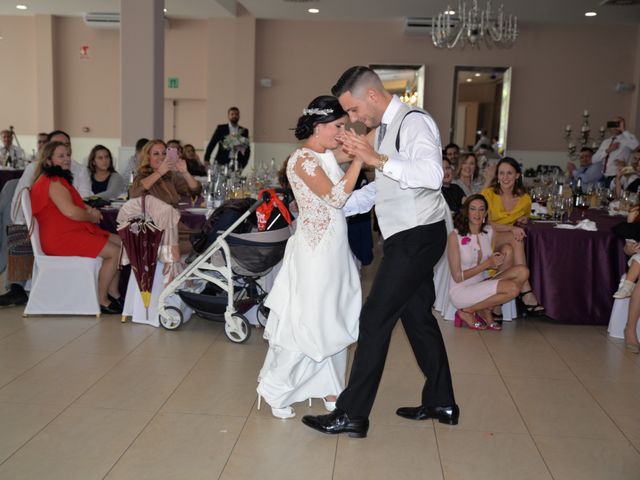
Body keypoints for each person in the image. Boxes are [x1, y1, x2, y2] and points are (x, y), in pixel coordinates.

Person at [302, 66, 457, 438]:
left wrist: (378, 160)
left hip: (418, 234)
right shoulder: (384, 131)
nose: (353, 120)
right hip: (409, 233)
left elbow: (432, 176)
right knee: (417, 317)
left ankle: (352, 413)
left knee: (373, 319)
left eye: (353, 111)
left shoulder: (415, 122)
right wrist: (334, 205)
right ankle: (441, 401)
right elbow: (384, 188)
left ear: (371, 95)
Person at [256, 95, 363, 419]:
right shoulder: (301, 159)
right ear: (319, 126)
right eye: (338, 126)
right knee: (309, 320)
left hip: (334, 251)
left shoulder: (326, 154)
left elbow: (361, 150)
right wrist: (358, 160)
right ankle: (275, 388)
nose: (343, 132)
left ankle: (331, 387)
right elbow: (336, 196)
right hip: (314, 253)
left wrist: (363, 144)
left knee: (332, 317)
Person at [29, 141, 123, 314]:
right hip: (61, 238)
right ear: (48, 161)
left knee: (121, 242)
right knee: (115, 252)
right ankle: (101, 299)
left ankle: (114, 292)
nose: (67, 159)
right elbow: (71, 212)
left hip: (70, 231)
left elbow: (75, 204)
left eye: (68, 155)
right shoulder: (52, 181)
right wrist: (92, 216)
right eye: (61, 156)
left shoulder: (58, 179)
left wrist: (89, 210)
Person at [447, 194, 529, 330]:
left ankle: (482, 308)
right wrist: (487, 264)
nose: (477, 214)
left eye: (481, 209)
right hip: (461, 290)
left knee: (523, 271)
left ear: (485, 213)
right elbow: (457, 277)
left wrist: (512, 228)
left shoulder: (488, 232)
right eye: (473, 209)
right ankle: (467, 311)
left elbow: (510, 239)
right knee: (513, 289)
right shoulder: (455, 236)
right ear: (466, 212)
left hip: (481, 284)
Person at [481, 157, 545, 316]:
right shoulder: (489, 194)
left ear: (517, 175)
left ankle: (496, 305)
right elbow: (483, 221)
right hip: (486, 237)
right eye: (501, 173)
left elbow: (525, 216)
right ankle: (526, 289)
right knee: (515, 238)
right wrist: (511, 228)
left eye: (509, 173)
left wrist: (524, 219)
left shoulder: (525, 200)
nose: (505, 177)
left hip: (505, 242)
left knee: (509, 250)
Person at [128, 139, 202, 254]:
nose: (161, 157)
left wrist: (185, 172)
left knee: (205, 237)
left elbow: (195, 190)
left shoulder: (169, 177)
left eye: (164, 153)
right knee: (200, 242)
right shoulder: (142, 177)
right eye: (156, 154)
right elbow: (134, 193)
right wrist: (159, 173)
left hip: (175, 227)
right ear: (148, 158)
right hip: (156, 232)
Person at [612, 206, 640, 353]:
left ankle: (627, 286)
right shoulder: (636, 213)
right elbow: (627, 249)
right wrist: (632, 247)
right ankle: (630, 329)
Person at [593, 117, 639, 184]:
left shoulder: (627, 141)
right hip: (603, 177)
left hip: (617, 176)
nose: (615, 126)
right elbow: (594, 160)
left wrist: (623, 130)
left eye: (618, 124)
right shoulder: (606, 142)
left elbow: (636, 145)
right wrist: (607, 150)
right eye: (614, 124)